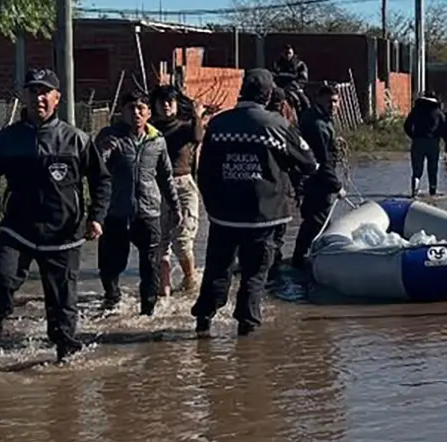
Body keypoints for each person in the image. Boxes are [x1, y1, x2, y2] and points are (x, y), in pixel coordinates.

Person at [0, 68, 112, 363]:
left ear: (57, 97)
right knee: (1, 280)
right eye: (33, 91)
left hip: (64, 233)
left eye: (45, 92)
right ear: (24, 96)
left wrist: (96, 217)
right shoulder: (5, 141)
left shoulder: (76, 140)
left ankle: (65, 348)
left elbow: (101, 180)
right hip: (18, 229)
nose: (39, 98)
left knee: (62, 300)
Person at [191, 69, 318, 337]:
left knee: (217, 268)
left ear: (241, 90)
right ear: (269, 94)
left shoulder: (218, 124)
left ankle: (204, 320)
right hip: (265, 215)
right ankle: (246, 330)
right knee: (255, 273)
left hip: (223, 214)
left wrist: (212, 204)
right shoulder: (277, 125)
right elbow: (308, 162)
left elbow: (203, 169)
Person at [94, 90, 181, 315]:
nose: (136, 113)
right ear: (122, 112)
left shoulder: (157, 140)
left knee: (150, 265)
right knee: (111, 263)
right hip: (116, 211)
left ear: (149, 113)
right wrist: (103, 152)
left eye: (141, 108)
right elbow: (94, 170)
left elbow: (165, 176)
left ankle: (148, 311)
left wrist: (174, 206)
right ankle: (112, 298)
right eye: (131, 108)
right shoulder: (110, 136)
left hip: (148, 211)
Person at [149, 84, 204, 296]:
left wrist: (197, 115)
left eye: (169, 102)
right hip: (156, 187)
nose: (165, 106)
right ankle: (164, 291)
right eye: (161, 102)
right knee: (159, 243)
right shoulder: (150, 129)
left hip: (182, 185)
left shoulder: (185, 127)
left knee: (182, 242)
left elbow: (198, 137)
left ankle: (190, 281)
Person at [291, 82, 345, 270]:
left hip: (317, 178)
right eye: (330, 101)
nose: (334, 105)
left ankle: (309, 256)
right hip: (314, 180)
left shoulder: (322, 119)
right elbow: (320, 160)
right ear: (319, 99)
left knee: (319, 219)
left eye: (336, 101)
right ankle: (300, 260)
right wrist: (336, 185)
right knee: (315, 220)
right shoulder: (316, 124)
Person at [265, 86, 302, 282]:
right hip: (277, 190)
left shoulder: (266, 123)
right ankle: (273, 274)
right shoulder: (283, 126)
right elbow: (300, 162)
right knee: (274, 237)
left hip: (274, 189)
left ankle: (271, 271)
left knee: (271, 237)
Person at [402, 90, 445, 197]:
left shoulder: (416, 110)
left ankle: (414, 190)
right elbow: (444, 127)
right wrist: (440, 137)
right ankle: (432, 192)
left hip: (418, 141)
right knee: (433, 169)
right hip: (433, 143)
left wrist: (413, 136)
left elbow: (407, 125)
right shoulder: (438, 112)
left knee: (417, 169)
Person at [270, 44, 310, 112]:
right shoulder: (276, 64)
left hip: (294, 88)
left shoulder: (300, 64)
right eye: (285, 53)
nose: (287, 55)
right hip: (279, 88)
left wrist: (295, 86)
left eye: (289, 53)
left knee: (305, 103)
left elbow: (303, 79)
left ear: (293, 53)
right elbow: (272, 76)